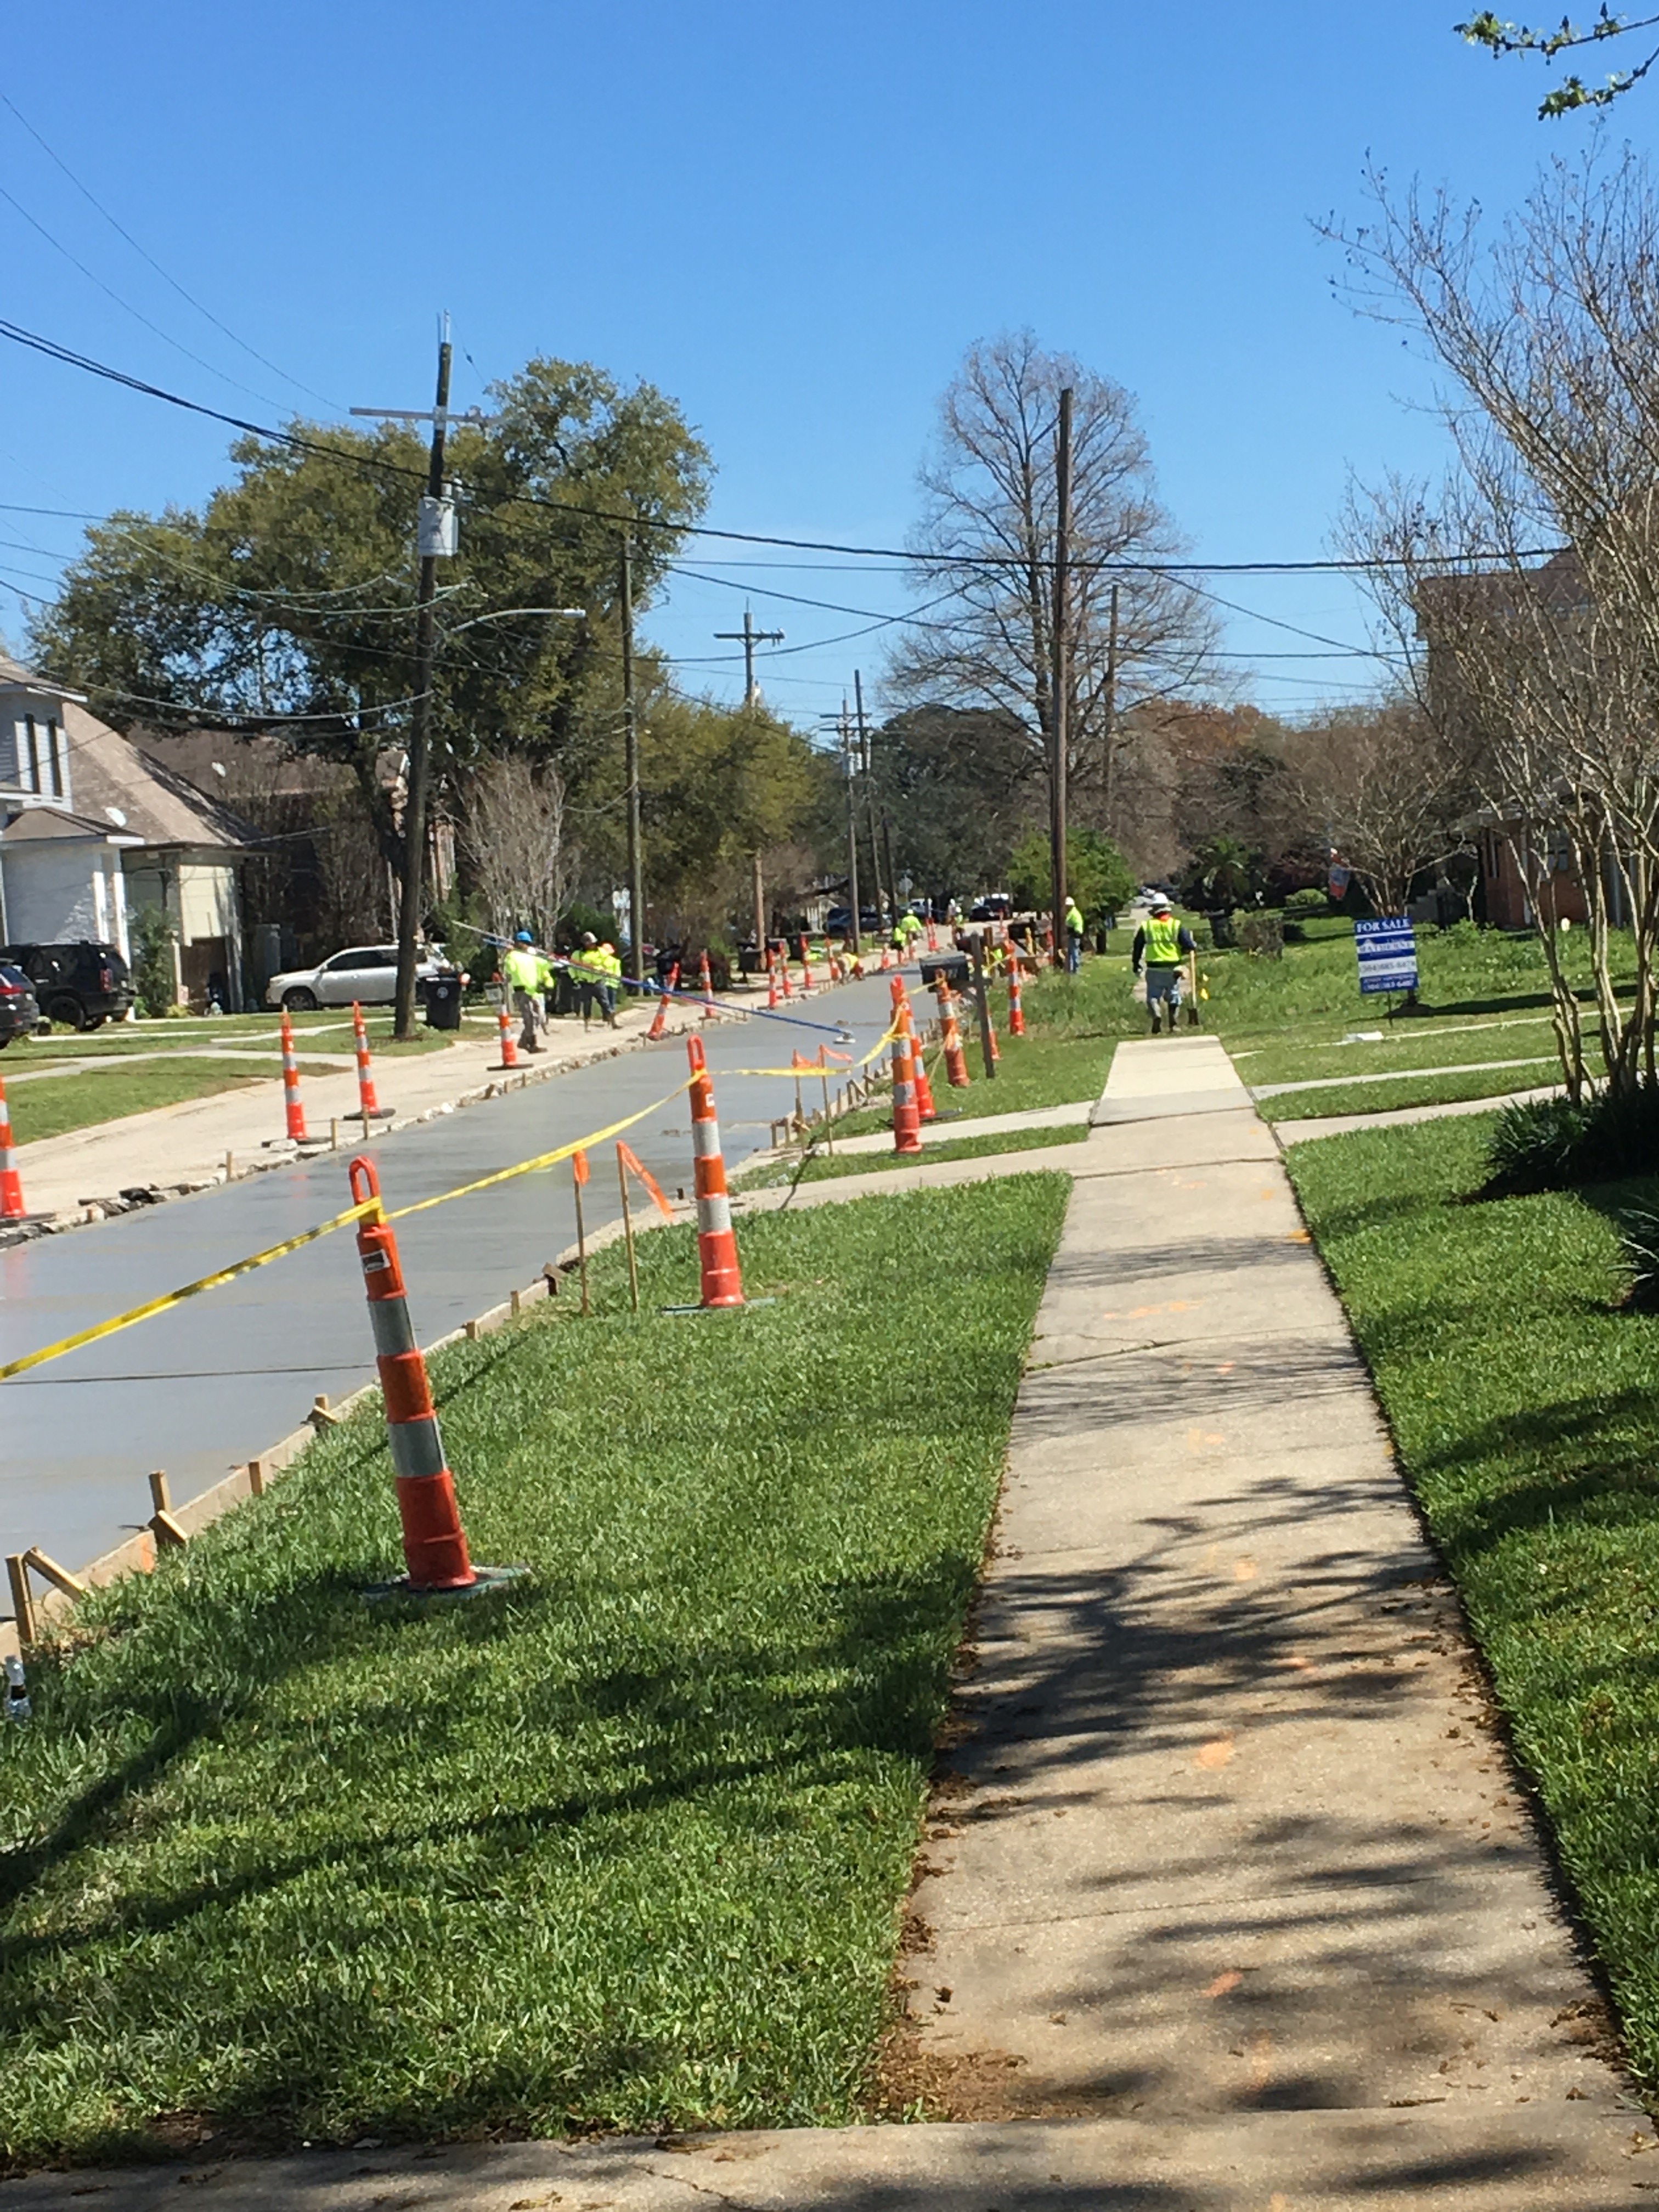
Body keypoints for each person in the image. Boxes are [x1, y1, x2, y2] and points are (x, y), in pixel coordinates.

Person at [1132, 897, 1197, 1035]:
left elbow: (1137, 947)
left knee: (1153, 996)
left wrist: (1136, 963)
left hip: (1154, 967)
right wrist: (1191, 945)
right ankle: (1173, 1024)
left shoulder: (1147, 927)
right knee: (1173, 994)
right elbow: (1189, 945)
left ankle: (1157, 1015)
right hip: (1173, 968)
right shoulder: (1176, 926)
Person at [502, 929, 545, 1053]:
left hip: (532, 990)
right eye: (524, 943)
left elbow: (543, 965)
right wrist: (508, 955)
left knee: (537, 1018)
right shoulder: (513, 956)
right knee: (529, 1017)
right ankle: (531, 1044)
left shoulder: (530, 955)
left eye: (528, 943)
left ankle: (523, 1040)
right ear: (518, 943)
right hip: (521, 991)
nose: (527, 945)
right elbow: (510, 970)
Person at [1064, 895, 1086, 974]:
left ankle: (1076, 971)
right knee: (1071, 953)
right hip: (1075, 934)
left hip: (1075, 935)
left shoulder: (1072, 913)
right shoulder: (1075, 912)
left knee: (1074, 953)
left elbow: (1067, 923)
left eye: (1067, 906)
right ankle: (1071, 971)